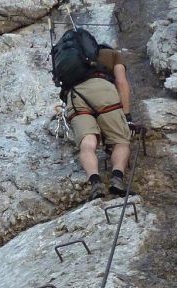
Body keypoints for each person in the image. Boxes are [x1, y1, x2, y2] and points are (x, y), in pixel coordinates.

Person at [54, 31, 133, 201]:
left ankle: (95, 182)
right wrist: (127, 116)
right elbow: (121, 82)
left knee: (88, 143)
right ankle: (117, 178)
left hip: (75, 96)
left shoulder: (75, 61)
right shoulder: (113, 55)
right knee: (121, 140)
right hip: (103, 91)